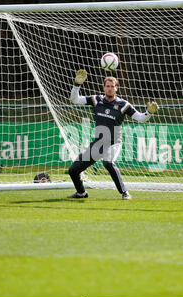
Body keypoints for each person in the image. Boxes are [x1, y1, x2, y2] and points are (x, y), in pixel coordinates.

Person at [67, 69, 159, 200]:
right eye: (107, 86)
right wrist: (77, 85)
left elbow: (140, 118)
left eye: (112, 86)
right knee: (73, 170)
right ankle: (81, 193)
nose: (110, 89)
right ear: (104, 88)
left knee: (108, 162)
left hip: (113, 143)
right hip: (98, 144)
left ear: (116, 88)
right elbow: (74, 99)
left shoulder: (123, 105)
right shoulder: (96, 99)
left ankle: (125, 192)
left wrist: (149, 113)